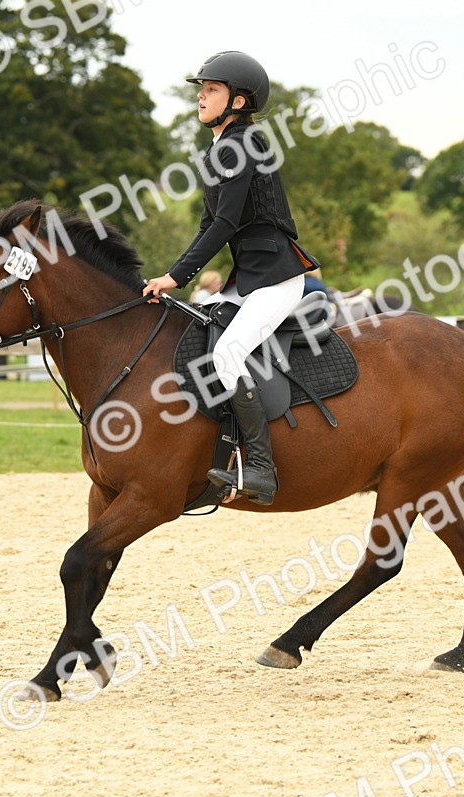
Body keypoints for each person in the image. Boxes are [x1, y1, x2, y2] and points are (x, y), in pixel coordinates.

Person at [142, 51, 320, 506]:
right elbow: (209, 226)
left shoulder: (241, 144)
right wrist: (173, 277)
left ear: (239, 101)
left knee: (227, 353)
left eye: (212, 88)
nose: (201, 94)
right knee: (193, 338)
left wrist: (175, 276)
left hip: (277, 277)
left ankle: (260, 467)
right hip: (248, 279)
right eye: (201, 87)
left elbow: (224, 225)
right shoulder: (220, 147)